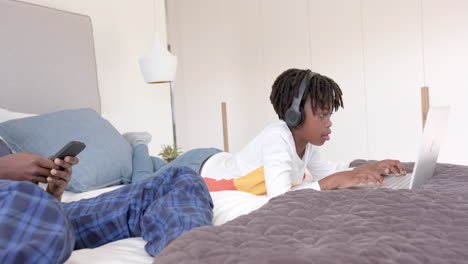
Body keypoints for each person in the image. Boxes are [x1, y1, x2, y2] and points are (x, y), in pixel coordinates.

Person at [127, 68, 407, 197]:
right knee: (139, 183)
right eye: (322, 114)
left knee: (157, 167)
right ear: (294, 114)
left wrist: (370, 167)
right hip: (198, 166)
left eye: (329, 114)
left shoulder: (304, 143)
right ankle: (139, 143)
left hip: (215, 158)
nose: (328, 122)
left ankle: (153, 157)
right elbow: (281, 197)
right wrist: (335, 181)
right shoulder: (278, 137)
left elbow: (326, 172)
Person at [0, 138, 213, 263]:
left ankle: (184, 256)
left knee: (176, 179)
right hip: (24, 213)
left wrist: (52, 194)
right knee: (26, 199)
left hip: (36, 213)